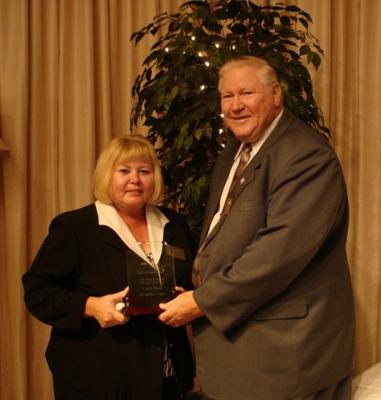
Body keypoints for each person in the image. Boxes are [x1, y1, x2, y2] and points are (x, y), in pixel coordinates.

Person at [158, 56, 355, 400]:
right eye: (227, 96)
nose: (235, 106)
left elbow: (277, 253)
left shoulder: (305, 155)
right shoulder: (235, 150)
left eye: (246, 93)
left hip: (283, 360)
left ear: (277, 94)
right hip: (244, 356)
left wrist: (204, 300)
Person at [22, 134, 197, 400]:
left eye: (144, 171)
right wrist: (91, 306)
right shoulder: (75, 227)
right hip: (96, 377)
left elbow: (194, 281)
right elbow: (37, 291)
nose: (135, 179)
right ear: (107, 176)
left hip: (167, 374)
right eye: (124, 171)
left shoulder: (174, 224)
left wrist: (187, 298)